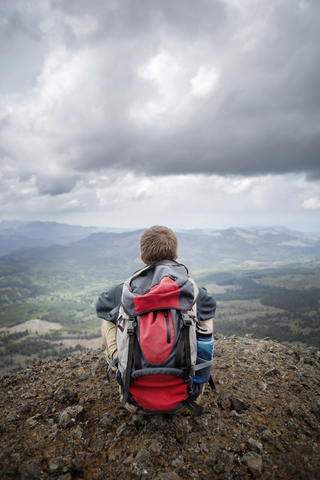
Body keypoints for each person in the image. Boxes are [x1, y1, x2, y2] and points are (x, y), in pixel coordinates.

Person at [96, 225, 216, 412]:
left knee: (107, 318)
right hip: (186, 401)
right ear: (176, 257)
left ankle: (119, 363)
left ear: (143, 258)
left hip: (134, 401)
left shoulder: (123, 291)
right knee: (205, 317)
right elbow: (210, 307)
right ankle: (198, 371)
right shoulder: (193, 291)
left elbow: (101, 307)